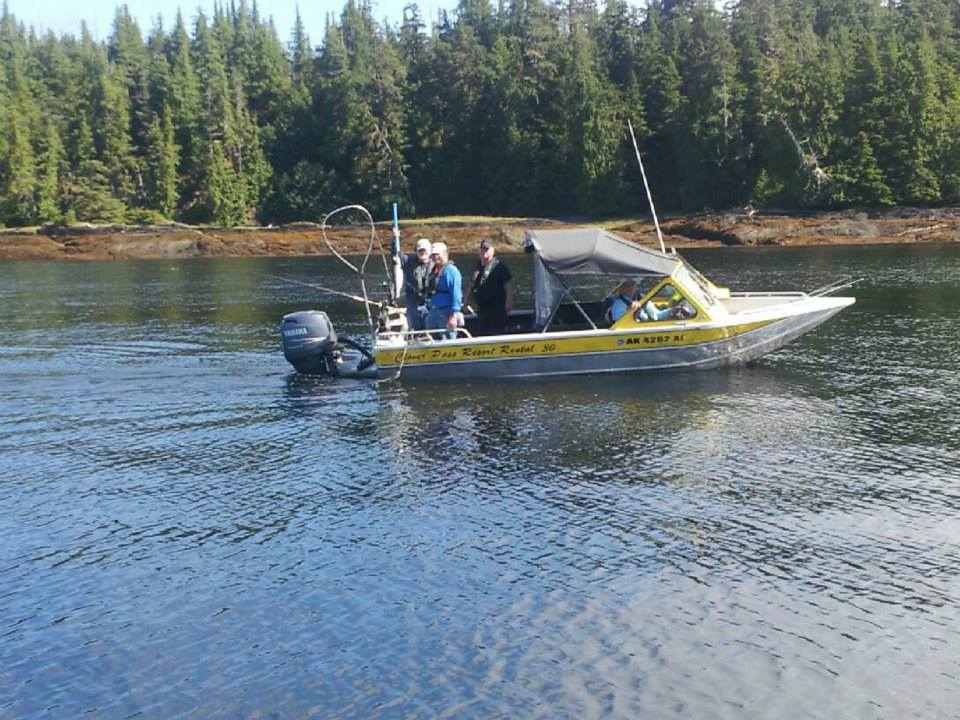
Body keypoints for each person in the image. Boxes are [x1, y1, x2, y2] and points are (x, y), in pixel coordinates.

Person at [469, 239, 513, 335]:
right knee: (482, 332)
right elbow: (472, 284)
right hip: (482, 308)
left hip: (496, 308)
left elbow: (508, 284)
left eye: (487, 249)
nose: (484, 252)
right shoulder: (477, 266)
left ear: (492, 251)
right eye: (482, 249)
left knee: (496, 332)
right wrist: (468, 300)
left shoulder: (499, 266)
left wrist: (509, 301)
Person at [426, 242, 463, 340]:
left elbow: (456, 294)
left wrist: (453, 315)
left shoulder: (451, 271)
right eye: (433, 255)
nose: (435, 257)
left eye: (438, 254)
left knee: (447, 339)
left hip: (447, 313)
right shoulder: (434, 271)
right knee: (431, 339)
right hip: (434, 311)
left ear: (445, 254)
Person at [395, 237, 434, 331]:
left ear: (430, 251)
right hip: (413, 302)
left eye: (425, 250)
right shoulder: (408, 261)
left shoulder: (436, 264)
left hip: (430, 302)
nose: (422, 253)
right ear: (416, 251)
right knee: (415, 327)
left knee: (430, 326)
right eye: (420, 250)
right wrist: (395, 237)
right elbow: (396, 253)